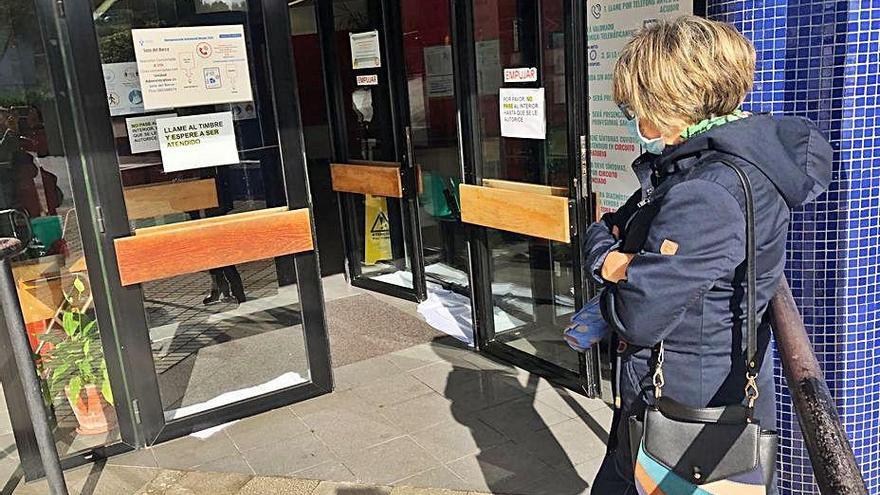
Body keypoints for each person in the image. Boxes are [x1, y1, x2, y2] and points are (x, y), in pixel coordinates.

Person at [585, 16, 833, 494]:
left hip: (686, 413)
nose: (634, 117)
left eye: (637, 106)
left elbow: (635, 313)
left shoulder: (709, 190)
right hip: (681, 397)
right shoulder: (704, 164)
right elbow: (624, 226)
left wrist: (603, 257)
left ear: (675, 103)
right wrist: (622, 256)